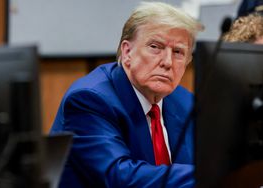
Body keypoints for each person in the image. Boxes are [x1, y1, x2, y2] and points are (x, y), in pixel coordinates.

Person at [50, 2, 203, 187]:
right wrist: (208, 176)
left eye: (178, 52)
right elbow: (120, 178)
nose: (167, 62)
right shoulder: (89, 100)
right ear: (127, 51)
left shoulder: (185, 102)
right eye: (155, 47)